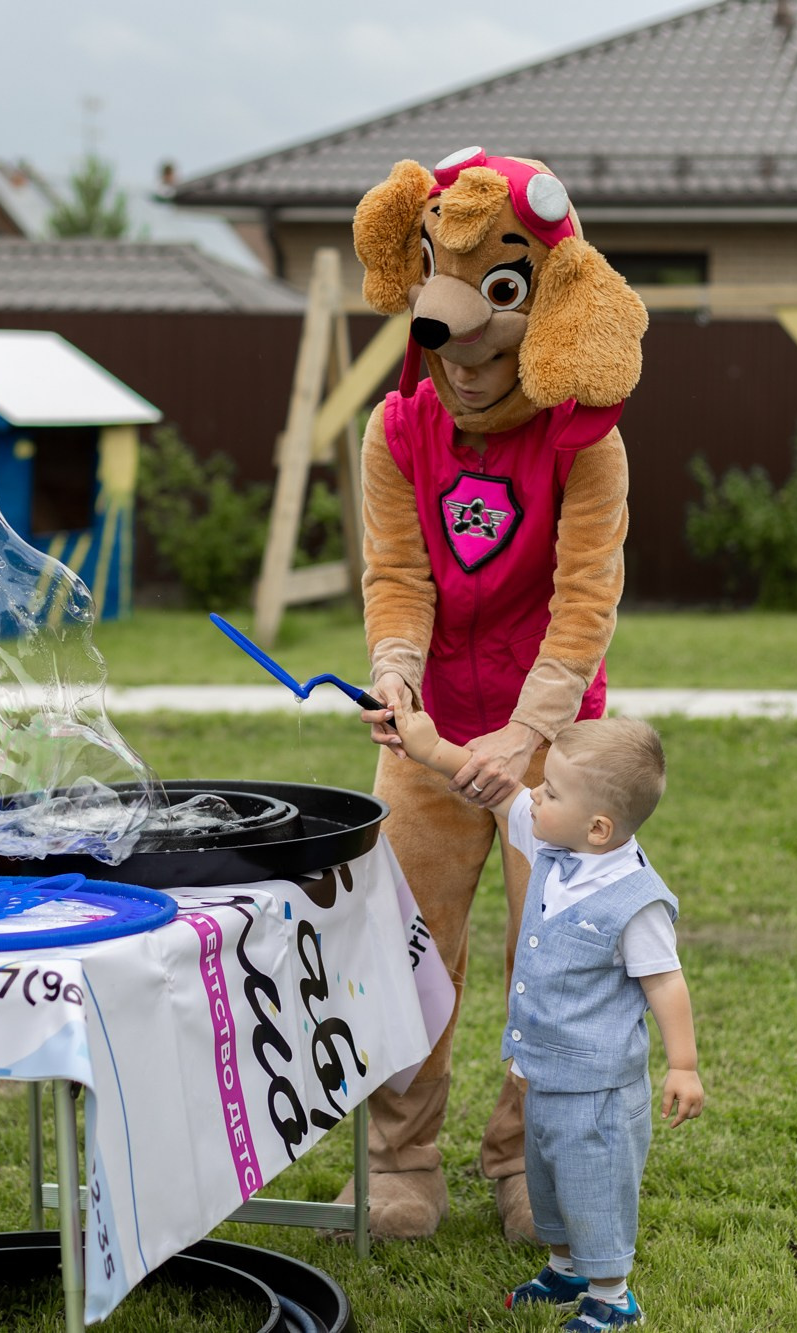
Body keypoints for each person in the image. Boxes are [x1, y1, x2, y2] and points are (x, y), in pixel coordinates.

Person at [345, 147, 650, 1241]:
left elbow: (582, 605)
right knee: (411, 949)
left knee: (553, 961)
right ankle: (399, 1158)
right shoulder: (392, 433)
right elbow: (397, 579)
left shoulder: (587, 449)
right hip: (425, 745)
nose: (460, 370)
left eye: (486, 344)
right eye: (444, 347)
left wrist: (522, 736)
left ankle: (527, 1161)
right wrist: (394, 674)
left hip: (552, 746)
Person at [390, 707, 702, 1330]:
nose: (535, 794)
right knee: (549, 1179)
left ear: (599, 826)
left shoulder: (634, 903)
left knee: (594, 1188)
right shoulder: (558, 840)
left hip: (599, 1092)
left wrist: (684, 1066)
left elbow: (665, 981)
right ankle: (564, 1269)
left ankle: (612, 1297)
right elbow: (501, 793)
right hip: (544, 1073)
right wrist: (430, 748)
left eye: (551, 791)